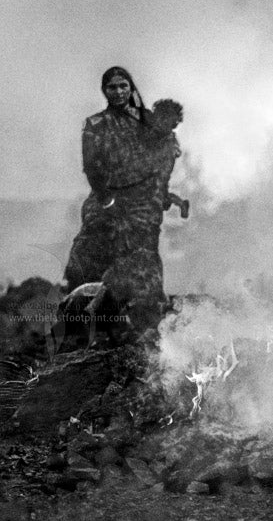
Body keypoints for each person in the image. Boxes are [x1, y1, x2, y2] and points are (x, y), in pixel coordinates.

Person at [63, 66, 184, 335]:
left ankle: (146, 332)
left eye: (123, 86)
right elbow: (91, 166)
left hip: (142, 208)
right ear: (104, 90)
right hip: (106, 204)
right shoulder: (95, 124)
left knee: (143, 268)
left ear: (131, 88)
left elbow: (160, 159)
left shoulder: (147, 122)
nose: (118, 92)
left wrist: (161, 194)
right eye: (112, 87)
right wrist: (107, 202)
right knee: (88, 261)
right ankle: (83, 328)